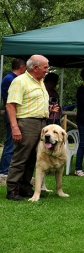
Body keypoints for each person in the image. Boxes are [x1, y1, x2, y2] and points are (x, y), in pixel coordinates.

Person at [5, 55, 58, 201]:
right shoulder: (20, 81)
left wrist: (49, 109)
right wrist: (15, 127)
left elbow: (33, 102)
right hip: (27, 123)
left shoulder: (40, 81)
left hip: (41, 123)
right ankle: (12, 189)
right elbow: (10, 105)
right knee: (21, 157)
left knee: (32, 157)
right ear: (36, 67)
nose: (47, 70)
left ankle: (25, 186)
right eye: (45, 67)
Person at [0, 58, 27, 184]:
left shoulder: (13, 78)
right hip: (12, 114)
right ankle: (4, 171)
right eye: (25, 67)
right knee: (10, 142)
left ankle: (9, 169)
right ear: (22, 67)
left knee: (14, 143)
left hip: (18, 114)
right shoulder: (10, 79)